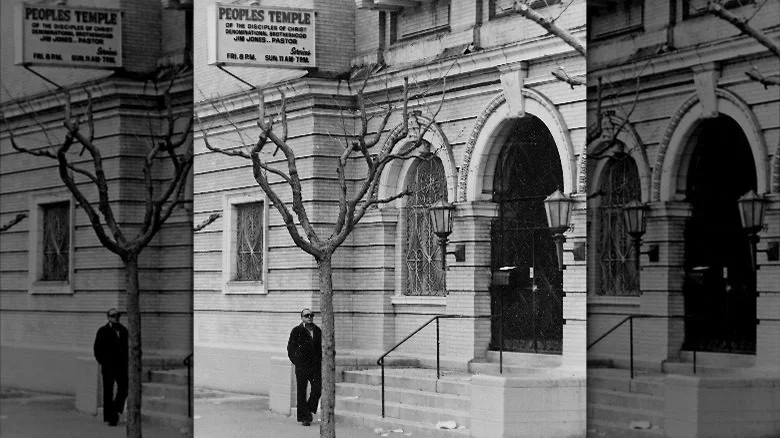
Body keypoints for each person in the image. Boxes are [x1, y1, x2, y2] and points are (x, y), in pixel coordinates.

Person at [93, 308, 128, 426]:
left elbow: (126, 347)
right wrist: (103, 361)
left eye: (117, 316)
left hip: (121, 365)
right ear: (108, 317)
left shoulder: (123, 330)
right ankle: (110, 417)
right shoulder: (103, 331)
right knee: (108, 391)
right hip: (108, 366)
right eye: (113, 316)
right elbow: (97, 348)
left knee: (124, 387)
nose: (115, 318)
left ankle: (116, 408)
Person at [287, 308, 322, 426]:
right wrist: (296, 361)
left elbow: (320, 348)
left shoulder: (317, 331)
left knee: (317, 388)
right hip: (302, 366)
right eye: (306, 315)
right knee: (301, 392)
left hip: (315, 366)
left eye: (311, 315)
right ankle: (305, 418)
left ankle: (308, 409)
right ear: (302, 318)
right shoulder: (296, 331)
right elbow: (290, 348)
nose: (309, 317)